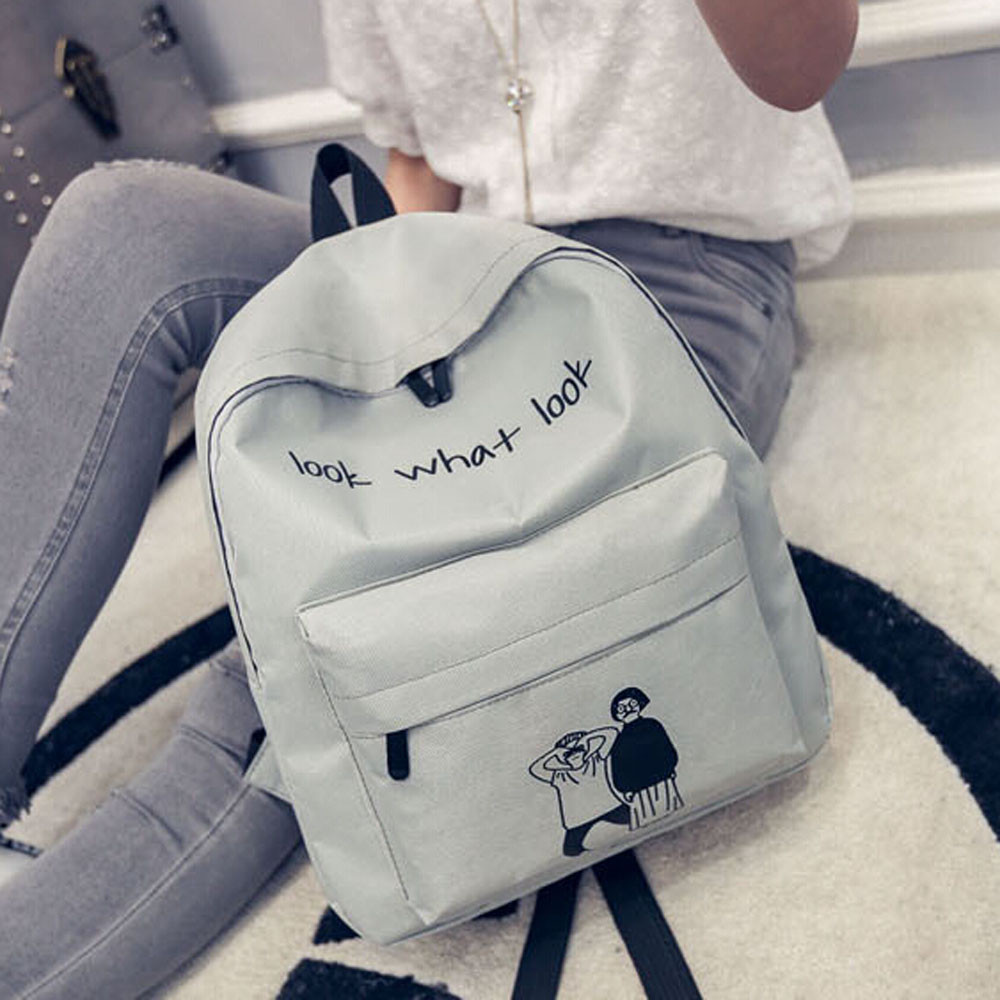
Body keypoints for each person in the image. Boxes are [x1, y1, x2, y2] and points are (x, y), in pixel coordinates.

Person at [0, 0, 857, 994]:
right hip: (456, 266)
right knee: (121, 232)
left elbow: (802, 67)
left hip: (678, 273)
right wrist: (386, 355)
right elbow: (418, 163)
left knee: (329, 663)